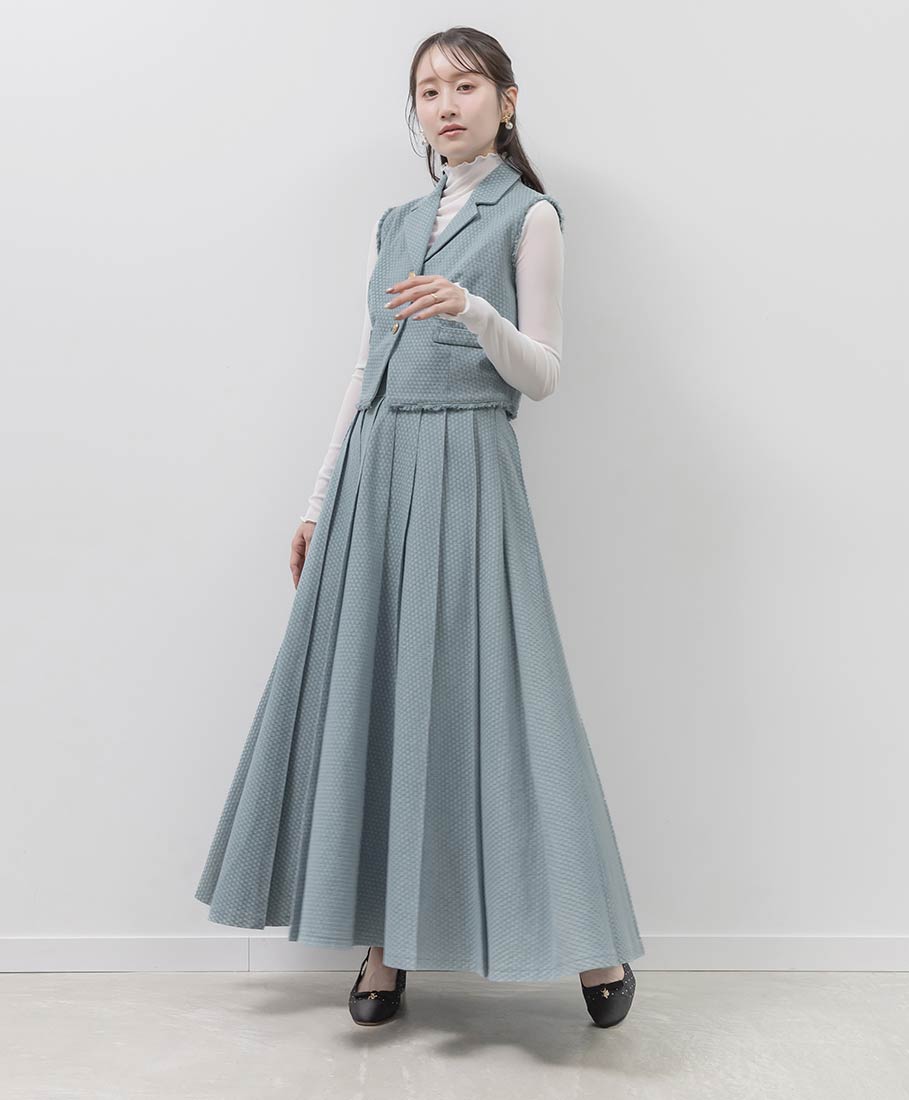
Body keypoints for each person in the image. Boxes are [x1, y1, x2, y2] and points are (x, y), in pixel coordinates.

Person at [195, 27, 644, 1029]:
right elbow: (366, 369)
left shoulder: (529, 216)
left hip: (466, 465)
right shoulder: (395, 222)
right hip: (377, 468)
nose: (445, 105)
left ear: (506, 101)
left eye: (465, 86)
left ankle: (589, 945)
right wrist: (318, 499)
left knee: (509, 698)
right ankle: (383, 948)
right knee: (378, 698)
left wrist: (472, 310)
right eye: (428, 90)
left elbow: (544, 373)